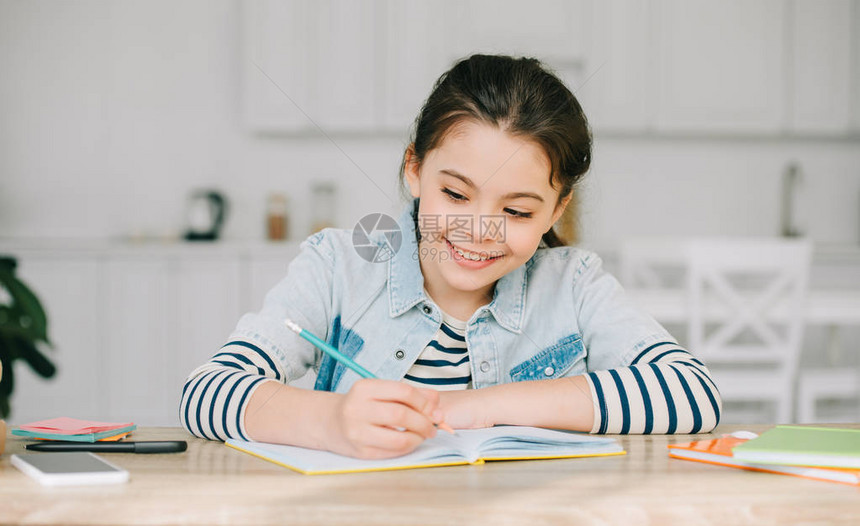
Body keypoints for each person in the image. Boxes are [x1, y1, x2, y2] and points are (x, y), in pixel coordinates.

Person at [180, 54, 721, 459]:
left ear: (558, 209)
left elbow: (694, 396)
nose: (478, 230)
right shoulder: (338, 267)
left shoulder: (574, 285)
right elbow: (207, 393)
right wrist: (331, 421)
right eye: (456, 195)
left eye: (517, 211)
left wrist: (477, 409)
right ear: (414, 169)